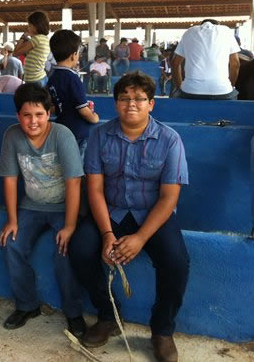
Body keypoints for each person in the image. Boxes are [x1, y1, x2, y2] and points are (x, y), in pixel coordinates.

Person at [69, 72, 189, 362]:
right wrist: (107, 234)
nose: (131, 104)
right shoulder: (100, 136)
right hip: (111, 211)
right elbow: (95, 190)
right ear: (116, 103)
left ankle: (162, 330)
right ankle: (108, 315)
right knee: (80, 249)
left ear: (151, 104)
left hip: (153, 214)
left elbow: (169, 198)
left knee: (176, 262)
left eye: (139, 98)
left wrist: (140, 238)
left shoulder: (170, 140)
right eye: (124, 98)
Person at [0, 83, 87, 337]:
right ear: (18, 116)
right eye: (27, 115)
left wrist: (70, 226)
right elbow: (10, 179)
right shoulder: (12, 136)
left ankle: (74, 312)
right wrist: (12, 220)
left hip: (64, 207)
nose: (33, 121)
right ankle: (27, 305)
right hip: (32, 205)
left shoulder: (62, 135)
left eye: (39, 114)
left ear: (49, 113)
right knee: (11, 243)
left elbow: (74, 182)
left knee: (64, 250)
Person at [47, 30, 99, 159]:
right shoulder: (73, 79)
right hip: (77, 132)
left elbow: (53, 105)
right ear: (74, 55)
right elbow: (83, 110)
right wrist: (94, 118)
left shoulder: (52, 78)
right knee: (76, 165)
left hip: (60, 129)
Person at [171, 19, 240, 99]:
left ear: (200, 26)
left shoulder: (189, 32)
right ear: (218, 25)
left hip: (190, 91)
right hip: (222, 91)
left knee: (176, 96)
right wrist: (230, 86)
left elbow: (175, 63)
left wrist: (179, 88)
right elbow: (235, 64)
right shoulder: (226, 32)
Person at [13, 11, 50, 86]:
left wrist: (23, 37)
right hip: (40, 78)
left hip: (34, 80)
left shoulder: (36, 39)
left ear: (36, 26)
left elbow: (15, 53)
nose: (28, 28)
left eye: (29, 25)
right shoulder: (44, 39)